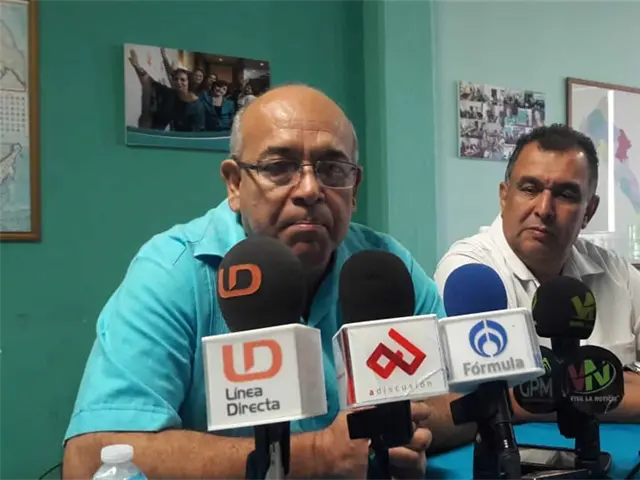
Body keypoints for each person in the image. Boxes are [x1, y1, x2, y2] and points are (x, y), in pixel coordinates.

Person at [62, 84, 450, 479]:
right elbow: (90, 458)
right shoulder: (173, 271)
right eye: (279, 167)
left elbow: (456, 400)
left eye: (333, 169)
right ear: (234, 184)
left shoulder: (383, 266)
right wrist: (320, 455)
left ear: (354, 189)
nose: (310, 190)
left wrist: (396, 424)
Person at [434, 124, 640, 428]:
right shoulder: (470, 274)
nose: (544, 209)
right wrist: (618, 386)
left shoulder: (617, 272)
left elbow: (528, 397)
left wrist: (549, 393)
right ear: (504, 196)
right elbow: (496, 400)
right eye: (529, 189)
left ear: (589, 211)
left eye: (565, 194)